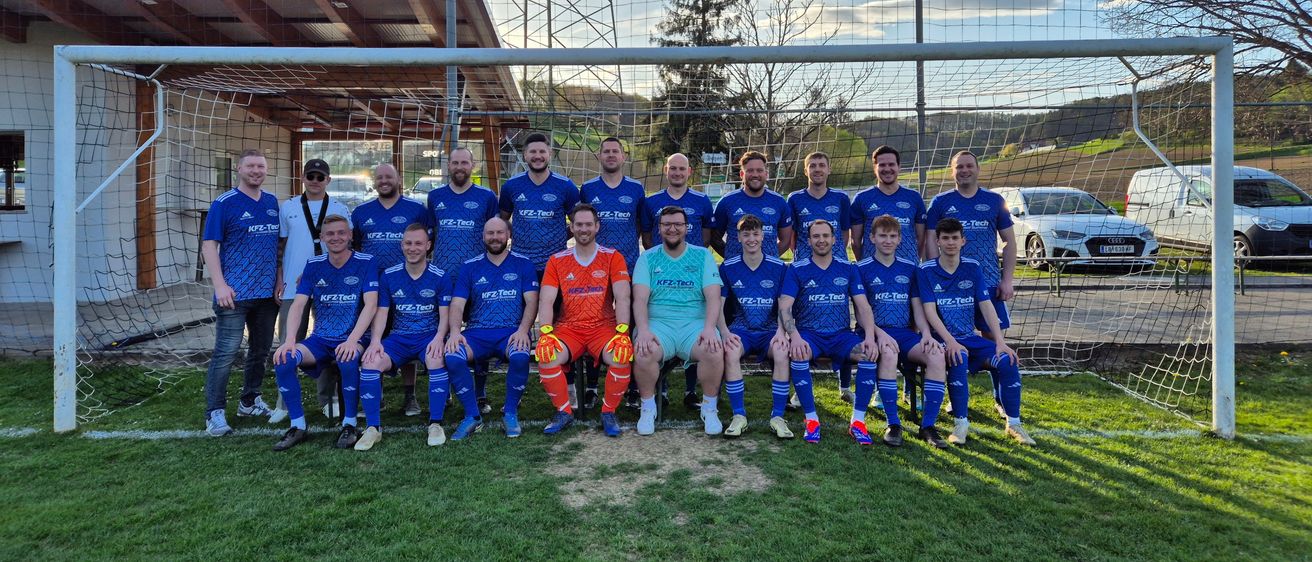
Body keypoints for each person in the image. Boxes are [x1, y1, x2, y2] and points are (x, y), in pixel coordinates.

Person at [918, 217, 1033, 446]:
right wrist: (950, 341)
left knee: (1007, 359)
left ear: (963, 240)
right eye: (945, 238)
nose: (950, 243)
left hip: (970, 338)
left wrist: (1000, 341)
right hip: (943, 339)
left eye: (955, 238)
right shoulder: (926, 271)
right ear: (938, 242)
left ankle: (1014, 423)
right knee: (958, 356)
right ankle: (961, 424)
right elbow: (929, 312)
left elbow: (986, 305)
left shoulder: (972, 267)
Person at [270, 215, 379, 451]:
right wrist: (289, 341)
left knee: (347, 357)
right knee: (284, 358)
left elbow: (371, 305)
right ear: (322, 238)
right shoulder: (314, 264)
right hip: (320, 339)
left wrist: (351, 341)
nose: (336, 238)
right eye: (330, 234)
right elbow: (299, 304)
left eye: (341, 233)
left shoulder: (366, 261)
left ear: (350, 235)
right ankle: (297, 425)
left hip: (355, 337)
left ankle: (349, 424)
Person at [925, 150, 1017, 417]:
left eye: (969, 166)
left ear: (978, 169)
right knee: (952, 342)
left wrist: (1007, 280)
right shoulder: (941, 202)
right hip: (949, 290)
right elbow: (932, 240)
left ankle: (1000, 400)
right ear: (952, 171)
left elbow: (1010, 242)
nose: (964, 170)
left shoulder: (994, 201)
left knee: (994, 341)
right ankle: (954, 399)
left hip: (987, 285)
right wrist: (935, 276)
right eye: (959, 167)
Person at [777, 220, 887, 445]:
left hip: (841, 336)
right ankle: (811, 419)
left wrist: (869, 338)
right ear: (808, 241)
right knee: (798, 354)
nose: (821, 240)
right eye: (816, 236)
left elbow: (863, 306)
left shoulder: (848, 268)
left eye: (826, 236)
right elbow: (785, 306)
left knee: (867, 354)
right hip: (809, 334)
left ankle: (858, 422)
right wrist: (794, 336)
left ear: (835, 239)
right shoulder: (797, 269)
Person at [534, 203, 634, 437]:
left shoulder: (612, 257)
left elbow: (623, 296)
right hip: (569, 328)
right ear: (571, 227)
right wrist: (545, 333)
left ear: (597, 227)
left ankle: (608, 411)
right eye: (578, 224)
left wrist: (622, 333)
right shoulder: (557, 260)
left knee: (621, 355)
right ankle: (564, 411)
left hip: (604, 327)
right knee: (547, 356)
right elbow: (546, 300)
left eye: (588, 224)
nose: (583, 229)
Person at [201, 148, 280, 436]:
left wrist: (278, 280)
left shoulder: (272, 203)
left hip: (266, 295)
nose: (256, 171)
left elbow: (277, 247)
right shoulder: (225, 203)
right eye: (251, 167)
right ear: (239, 169)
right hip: (234, 294)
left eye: (260, 166)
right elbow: (209, 245)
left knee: (259, 352)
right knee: (225, 353)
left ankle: (249, 400)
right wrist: (220, 285)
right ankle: (215, 413)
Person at [856, 215, 950, 448]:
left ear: (899, 239)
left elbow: (918, 308)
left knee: (937, 355)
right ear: (872, 238)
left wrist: (926, 334)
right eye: (882, 236)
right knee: (887, 353)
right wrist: (879, 333)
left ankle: (928, 426)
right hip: (872, 333)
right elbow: (861, 311)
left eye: (892, 236)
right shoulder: (861, 269)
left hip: (905, 334)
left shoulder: (911, 268)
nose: (887, 240)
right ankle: (893, 423)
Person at [270, 158, 352, 424]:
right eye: (310, 176)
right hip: (295, 286)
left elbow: (348, 246)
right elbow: (280, 246)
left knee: (329, 340)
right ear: (303, 178)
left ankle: (328, 400)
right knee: (287, 342)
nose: (315, 181)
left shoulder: (340, 208)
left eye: (320, 177)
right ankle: (283, 403)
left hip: (331, 287)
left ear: (328, 180)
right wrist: (279, 279)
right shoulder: (290, 207)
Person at [632, 206, 725, 436]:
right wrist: (642, 330)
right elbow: (639, 299)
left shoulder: (702, 255)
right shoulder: (648, 258)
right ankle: (647, 407)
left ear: (686, 228)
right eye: (666, 225)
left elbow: (713, 297)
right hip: (658, 323)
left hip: (694, 323)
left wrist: (709, 328)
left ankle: (709, 409)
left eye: (678, 224)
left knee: (712, 348)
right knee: (644, 350)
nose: (672, 229)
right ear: (659, 228)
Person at [359, 224, 453, 450]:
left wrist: (439, 338)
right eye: (408, 243)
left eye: (418, 243)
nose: (413, 248)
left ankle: (435, 423)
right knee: (370, 361)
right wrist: (374, 342)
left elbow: (445, 316)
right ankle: (373, 428)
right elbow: (381, 312)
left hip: (429, 336)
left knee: (436, 359)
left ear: (428, 246)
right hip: (399, 338)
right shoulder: (389, 276)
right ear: (402, 245)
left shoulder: (441, 276)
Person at [444, 217, 540, 439]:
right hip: (476, 333)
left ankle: (510, 412)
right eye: (490, 233)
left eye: (499, 233)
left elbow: (532, 301)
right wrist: (456, 332)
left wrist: (523, 330)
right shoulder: (470, 266)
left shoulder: (523, 263)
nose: (495, 238)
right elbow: (457, 303)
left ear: (508, 235)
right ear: (483, 236)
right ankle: (472, 416)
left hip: (510, 332)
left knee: (520, 355)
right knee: (453, 355)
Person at [352, 162, 431, 416]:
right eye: (379, 178)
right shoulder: (361, 212)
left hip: (408, 287)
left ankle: (410, 396)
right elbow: (354, 249)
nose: (384, 181)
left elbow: (429, 242)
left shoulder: (416, 209)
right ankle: (378, 394)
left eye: (389, 177)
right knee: (375, 340)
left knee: (407, 337)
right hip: (371, 289)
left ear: (400, 180)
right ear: (374, 182)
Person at [640, 152, 715, 410]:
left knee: (697, 327)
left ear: (689, 171)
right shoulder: (652, 202)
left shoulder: (702, 201)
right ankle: (661, 391)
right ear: (665, 169)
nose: (677, 173)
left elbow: (706, 238)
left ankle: (690, 391)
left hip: (693, 271)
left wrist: (689, 262)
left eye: (682, 169)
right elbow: (647, 238)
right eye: (673, 168)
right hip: (661, 270)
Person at [577, 137, 644, 410]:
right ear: (599, 157)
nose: (611, 155)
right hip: (593, 269)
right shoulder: (588, 188)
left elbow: (643, 226)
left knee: (628, 326)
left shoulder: (636, 189)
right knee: (593, 322)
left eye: (616, 151)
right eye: (606, 151)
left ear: (623, 157)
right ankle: (592, 385)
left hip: (628, 266)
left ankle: (631, 385)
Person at [786, 151, 855, 404]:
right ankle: (799, 389)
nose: (817, 169)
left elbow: (845, 233)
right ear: (806, 170)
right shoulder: (794, 199)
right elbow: (792, 235)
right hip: (805, 268)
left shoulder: (840, 198)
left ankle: (845, 385)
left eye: (821, 165)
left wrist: (836, 254)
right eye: (812, 165)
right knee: (804, 324)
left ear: (828, 170)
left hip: (835, 265)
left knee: (840, 321)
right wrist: (802, 256)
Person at [717, 215, 791, 439]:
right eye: (746, 234)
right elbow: (718, 307)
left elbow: (784, 304)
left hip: (770, 330)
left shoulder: (779, 267)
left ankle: (778, 416)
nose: (751, 239)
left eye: (755, 234)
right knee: (730, 352)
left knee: (781, 351)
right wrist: (725, 332)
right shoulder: (727, 267)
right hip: (740, 330)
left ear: (763, 235)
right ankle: (739, 415)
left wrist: (781, 331)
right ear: (737, 237)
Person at [498, 132, 580, 279]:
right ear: (525, 155)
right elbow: (502, 221)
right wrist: (516, 235)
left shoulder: (565, 186)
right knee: (524, 302)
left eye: (542, 151)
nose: (538, 156)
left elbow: (579, 223)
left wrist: (559, 238)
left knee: (552, 302)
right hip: (520, 264)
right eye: (533, 152)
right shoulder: (511, 186)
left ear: (550, 154)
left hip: (556, 263)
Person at [427, 146, 498, 275]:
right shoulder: (434, 196)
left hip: (477, 274)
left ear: (473, 165)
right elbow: (430, 235)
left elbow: (495, 235)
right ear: (448, 165)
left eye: (464, 162)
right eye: (455, 163)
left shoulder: (487, 196)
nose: (459, 167)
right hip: (442, 274)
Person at [850, 145, 927, 263]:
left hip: (908, 269)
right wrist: (865, 264)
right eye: (882, 165)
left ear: (899, 167)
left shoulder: (914, 197)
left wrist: (913, 260)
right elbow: (855, 241)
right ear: (874, 168)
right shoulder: (862, 198)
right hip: (873, 272)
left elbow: (921, 238)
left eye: (891, 164)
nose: (887, 169)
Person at [711, 151, 793, 260]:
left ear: (766, 174)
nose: (755, 175)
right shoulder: (727, 202)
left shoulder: (779, 202)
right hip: (736, 273)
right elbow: (714, 239)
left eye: (759, 170)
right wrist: (732, 259)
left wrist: (769, 260)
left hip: (768, 272)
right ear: (741, 174)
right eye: (750, 171)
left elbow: (786, 240)